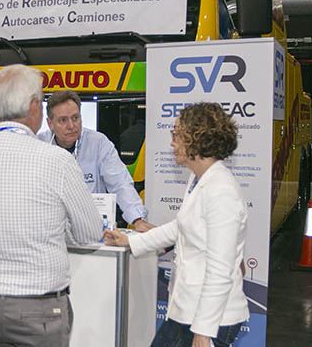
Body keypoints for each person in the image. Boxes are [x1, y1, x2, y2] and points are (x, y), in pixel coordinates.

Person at [0, 65, 102, 347]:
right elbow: (90, 233)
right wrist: (57, 228)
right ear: (34, 106)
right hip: (38, 309)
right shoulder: (57, 160)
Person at [105, 102, 248, 347]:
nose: (172, 142)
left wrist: (203, 332)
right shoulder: (199, 179)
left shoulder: (221, 191)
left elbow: (220, 268)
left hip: (211, 320)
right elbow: (180, 226)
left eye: (176, 134)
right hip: (188, 310)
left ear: (197, 139)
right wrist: (131, 240)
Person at [38, 90, 153, 232]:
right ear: (50, 123)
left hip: (91, 228)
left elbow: (120, 183)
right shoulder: (38, 144)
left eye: (75, 118)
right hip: (51, 227)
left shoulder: (98, 143)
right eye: (63, 120)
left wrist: (137, 219)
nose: (71, 126)